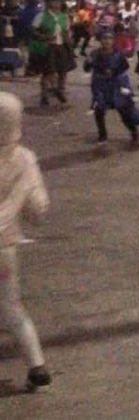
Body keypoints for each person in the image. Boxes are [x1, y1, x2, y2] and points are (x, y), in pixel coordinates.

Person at [0, 92, 50, 393]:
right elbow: (38, 209)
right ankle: (37, 365)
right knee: (11, 307)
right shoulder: (24, 159)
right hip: (3, 247)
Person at [86, 30, 139, 145]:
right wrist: (88, 63)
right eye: (104, 38)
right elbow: (87, 68)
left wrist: (113, 72)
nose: (106, 41)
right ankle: (102, 135)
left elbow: (124, 67)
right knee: (99, 110)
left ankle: (133, 131)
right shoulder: (95, 53)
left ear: (113, 41)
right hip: (100, 85)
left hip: (116, 86)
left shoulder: (118, 54)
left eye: (109, 39)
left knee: (123, 110)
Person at [28, 0, 72, 107]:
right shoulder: (41, 16)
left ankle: (60, 91)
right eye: (54, 1)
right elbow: (33, 31)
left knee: (63, 71)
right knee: (48, 72)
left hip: (61, 46)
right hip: (47, 47)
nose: (57, 3)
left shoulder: (64, 16)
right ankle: (44, 95)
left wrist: (70, 45)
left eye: (59, 1)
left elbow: (66, 32)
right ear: (48, 3)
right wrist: (44, 37)